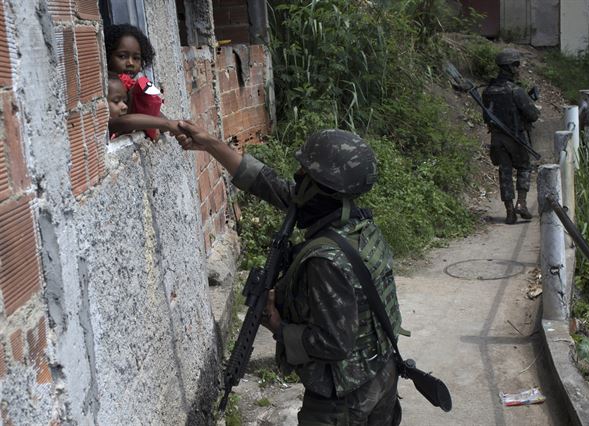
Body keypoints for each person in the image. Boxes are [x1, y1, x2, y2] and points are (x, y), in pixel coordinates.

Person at [176, 121, 403, 425]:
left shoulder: (326, 259)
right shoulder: (354, 223)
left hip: (346, 400)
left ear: (320, 185)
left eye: (304, 173)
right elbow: (271, 185)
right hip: (381, 370)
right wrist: (210, 144)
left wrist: (278, 326)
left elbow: (334, 343)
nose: (297, 178)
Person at [482, 48, 540, 224]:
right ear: (510, 67)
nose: (518, 68)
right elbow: (533, 115)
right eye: (516, 65)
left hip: (497, 138)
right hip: (516, 137)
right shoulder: (516, 91)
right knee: (524, 167)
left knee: (505, 171)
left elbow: (486, 116)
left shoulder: (488, 91)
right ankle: (521, 204)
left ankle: (509, 212)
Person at [104, 24, 163, 139]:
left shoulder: (137, 87)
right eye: (122, 56)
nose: (130, 63)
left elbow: (159, 116)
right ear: (107, 55)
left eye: (136, 58)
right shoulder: (106, 87)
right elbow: (118, 123)